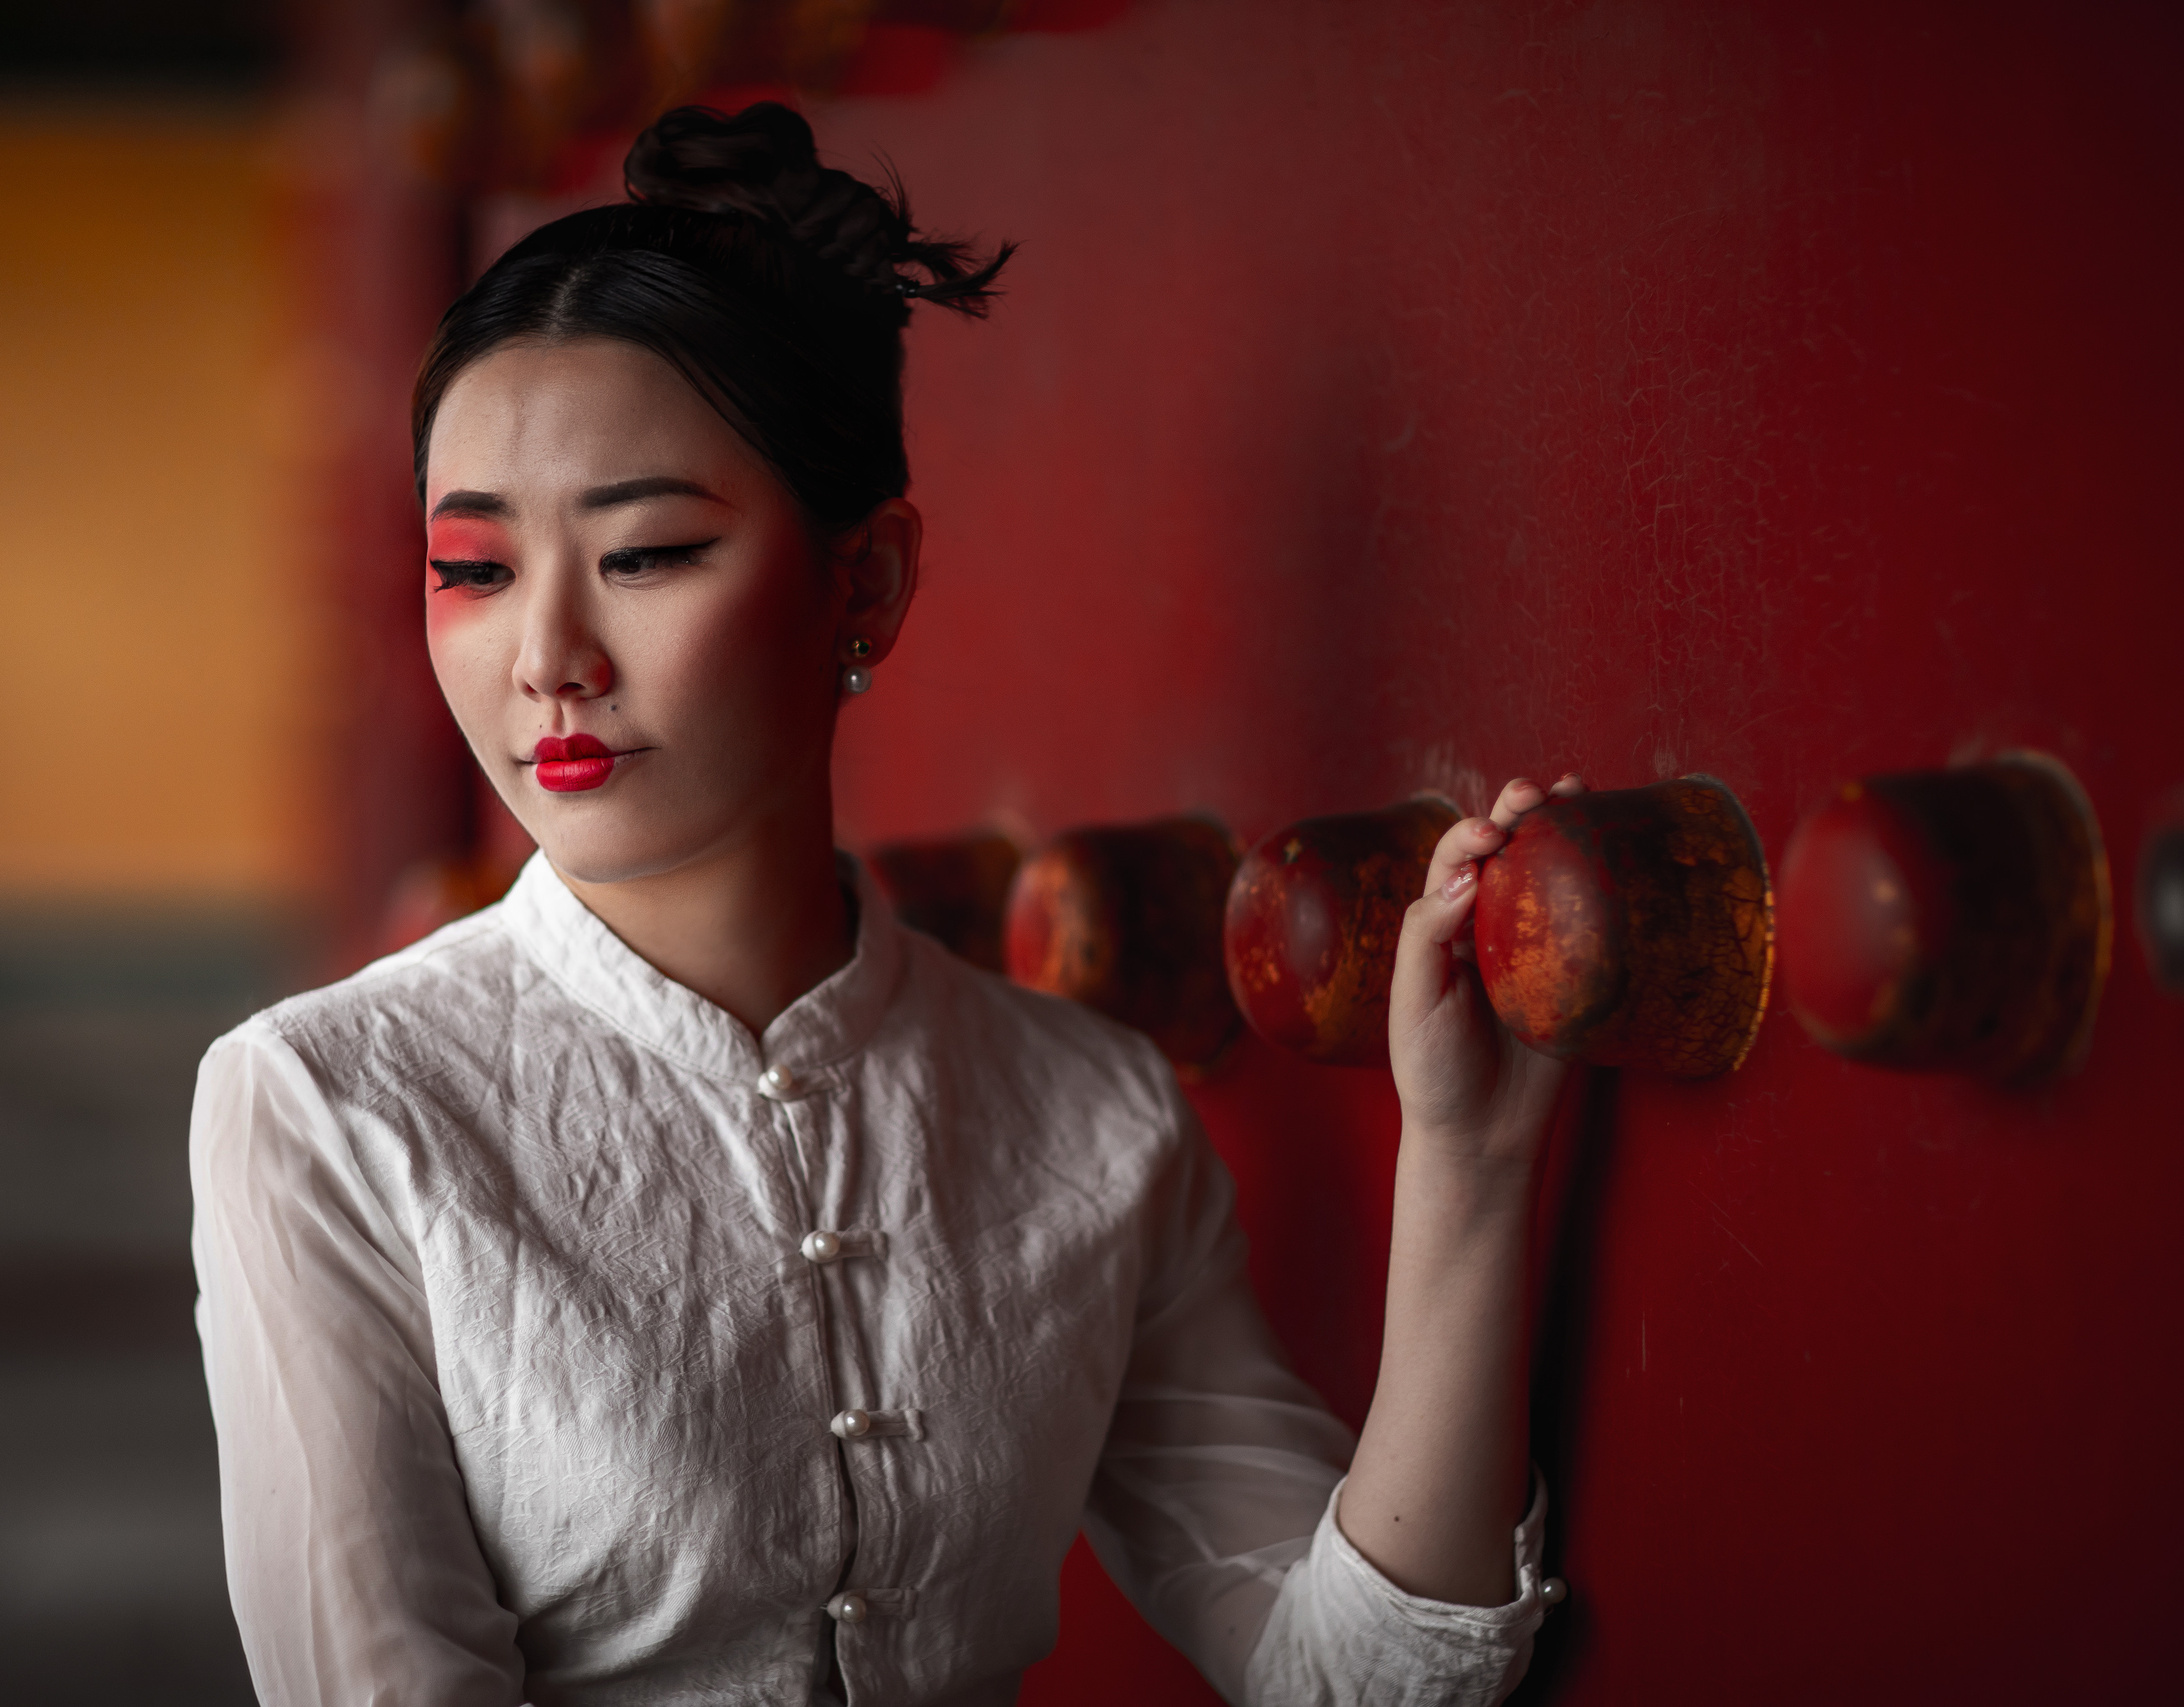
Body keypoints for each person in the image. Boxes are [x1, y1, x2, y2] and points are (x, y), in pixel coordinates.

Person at [191, 101, 1575, 1707]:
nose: (545, 656)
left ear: (868, 582)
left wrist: (1466, 1168)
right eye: (476, 572)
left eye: (643, 554)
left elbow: (1353, 1681)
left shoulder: (1092, 1116)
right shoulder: (331, 1106)